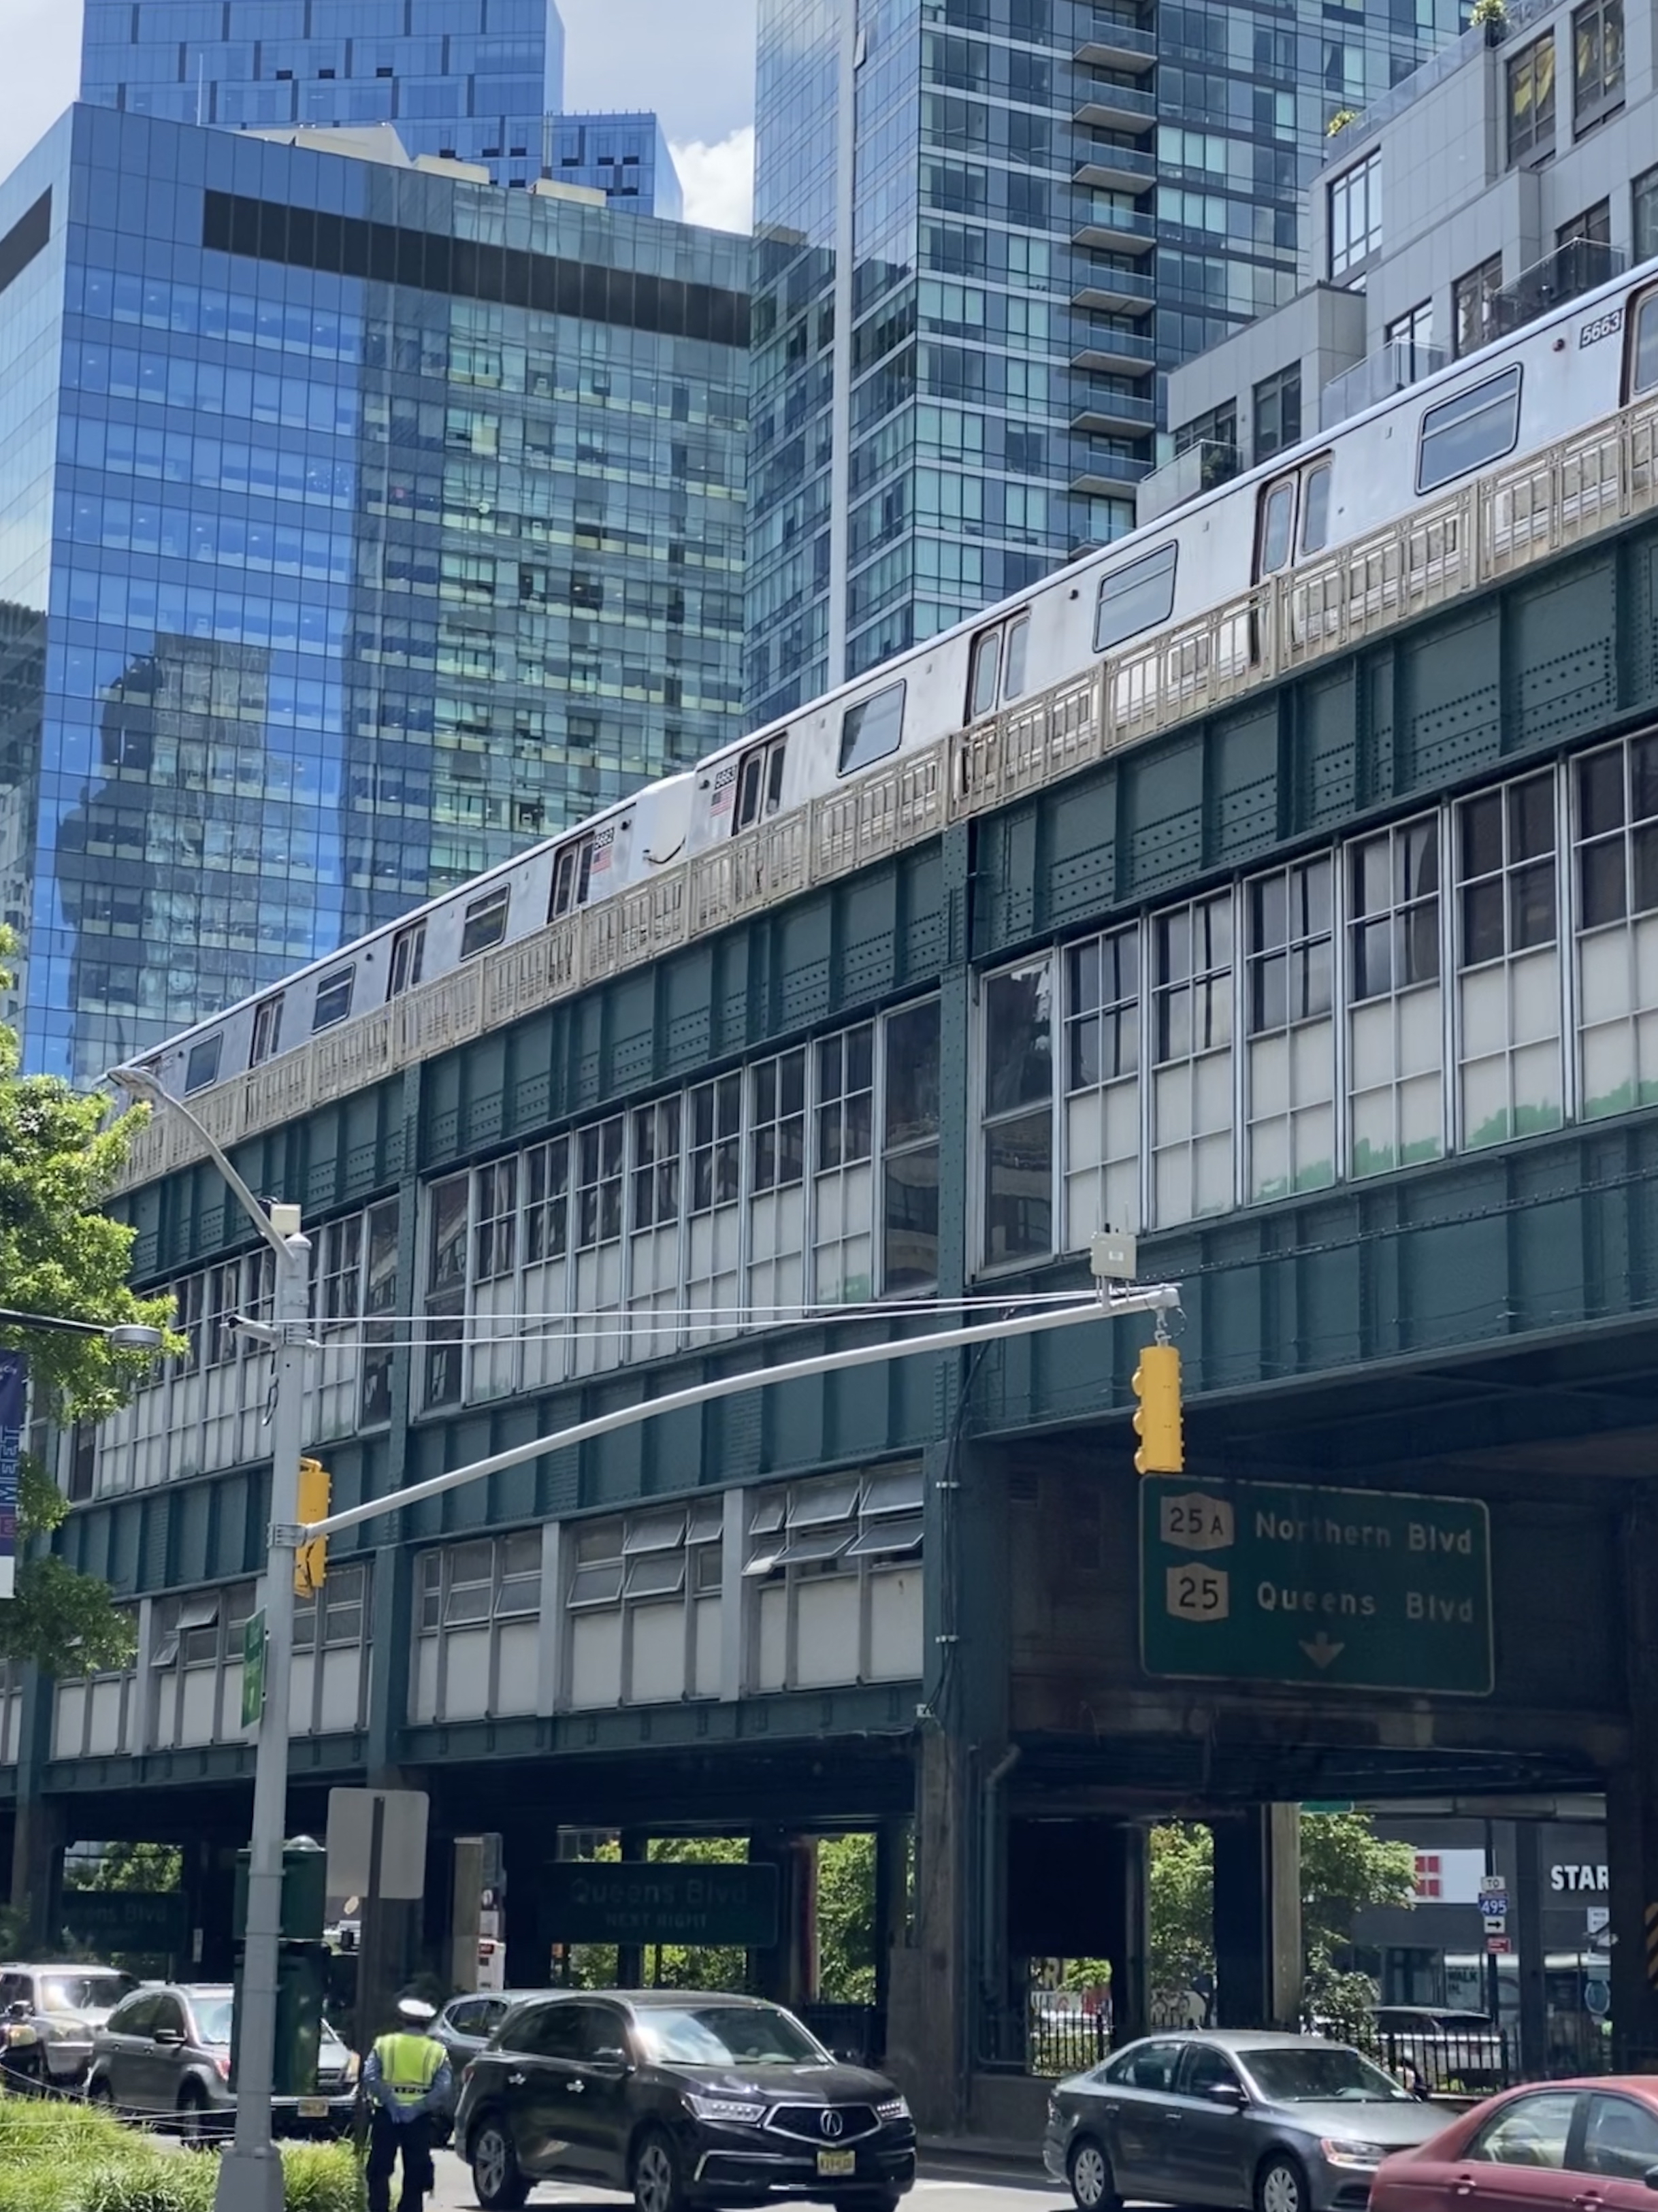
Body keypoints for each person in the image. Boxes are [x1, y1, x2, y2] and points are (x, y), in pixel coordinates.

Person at [362, 1996, 452, 2212]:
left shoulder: (384, 2044)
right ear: (426, 2023)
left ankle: (378, 2208)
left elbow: (370, 2076)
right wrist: (417, 2108)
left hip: (387, 2115)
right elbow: (443, 2088)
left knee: (379, 2168)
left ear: (402, 2020)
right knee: (416, 2170)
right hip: (419, 2119)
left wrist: (392, 2103)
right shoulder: (437, 2051)